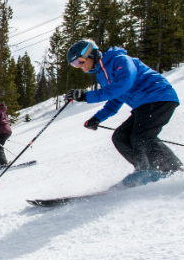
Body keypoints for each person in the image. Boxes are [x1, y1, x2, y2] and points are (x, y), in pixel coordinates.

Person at [65, 39, 182, 186]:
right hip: (143, 104)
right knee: (120, 137)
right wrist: (97, 118)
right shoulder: (102, 74)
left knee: (142, 136)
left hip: (159, 97)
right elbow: (115, 98)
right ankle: (144, 169)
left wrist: (86, 96)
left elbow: (124, 84)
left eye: (80, 62)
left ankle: (173, 170)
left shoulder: (120, 60)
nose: (79, 67)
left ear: (92, 54)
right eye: (75, 65)